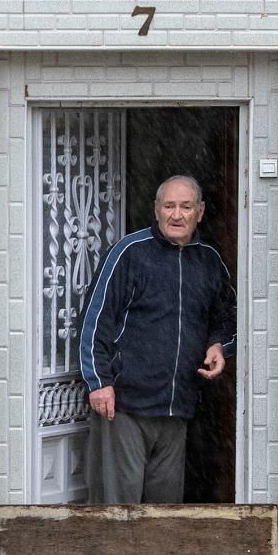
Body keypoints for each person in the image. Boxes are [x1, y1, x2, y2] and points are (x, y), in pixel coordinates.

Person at [78, 175, 236, 503]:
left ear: (200, 211)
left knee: (165, 511)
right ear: (156, 209)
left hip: (176, 409)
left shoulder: (208, 261)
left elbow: (229, 315)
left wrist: (219, 344)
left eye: (185, 207)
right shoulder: (129, 253)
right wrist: (98, 383)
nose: (176, 215)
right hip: (123, 406)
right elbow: (95, 322)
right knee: (118, 506)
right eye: (169, 206)